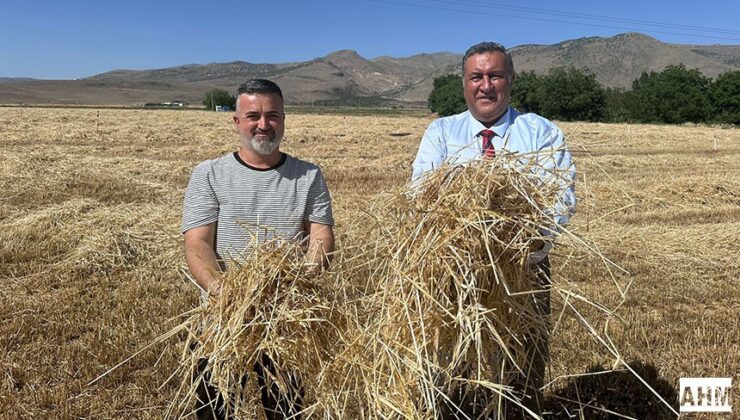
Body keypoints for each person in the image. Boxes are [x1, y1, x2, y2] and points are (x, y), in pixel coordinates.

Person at [411, 42, 576, 417]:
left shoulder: (541, 134)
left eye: (495, 76)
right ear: (464, 83)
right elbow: (420, 195)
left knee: (522, 369)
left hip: (523, 270)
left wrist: (520, 241)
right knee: (448, 369)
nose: (486, 85)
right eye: (477, 77)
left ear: (511, 81)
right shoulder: (441, 133)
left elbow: (560, 202)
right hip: (452, 271)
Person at [181, 79, 335, 419]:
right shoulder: (209, 174)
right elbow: (197, 244)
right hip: (221, 318)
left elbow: (321, 237)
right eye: (253, 115)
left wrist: (299, 284)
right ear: (237, 122)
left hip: (286, 320)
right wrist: (227, 294)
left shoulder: (308, 175)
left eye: (272, 115)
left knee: (285, 410)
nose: (263, 125)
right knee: (215, 411)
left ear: (283, 119)